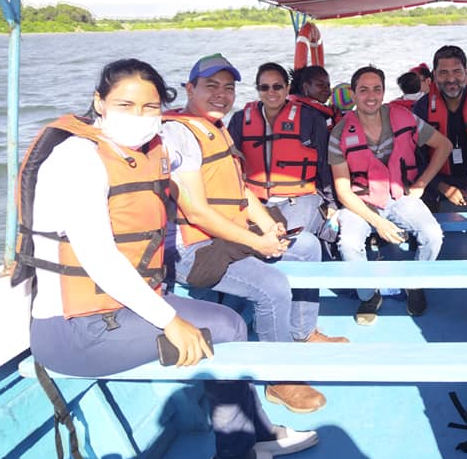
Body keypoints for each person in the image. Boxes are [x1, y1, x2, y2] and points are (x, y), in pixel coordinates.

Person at [13, 59, 317, 459]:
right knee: (223, 331)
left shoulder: (145, 150)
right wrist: (171, 321)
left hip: (123, 307)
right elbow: (99, 258)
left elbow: (191, 166)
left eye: (150, 107)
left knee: (231, 323)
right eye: (125, 105)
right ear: (99, 103)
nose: (139, 116)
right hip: (75, 328)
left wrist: (263, 221)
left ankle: (258, 432)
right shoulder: (77, 159)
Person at [162, 55, 345, 418]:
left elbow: (240, 189)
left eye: (228, 87)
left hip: (227, 236)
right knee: (272, 287)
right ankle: (280, 379)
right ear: (189, 89)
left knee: (307, 246)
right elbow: (197, 213)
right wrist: (256, 242)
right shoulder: (179, 134)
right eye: (211, 86)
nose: (221, 94)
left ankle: (302, 332)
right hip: (193, 249)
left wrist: (266, 224)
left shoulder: (217, 128)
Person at [329, 65, 452, 324]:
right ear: (353, 93)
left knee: (433, 235)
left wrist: (421, 183)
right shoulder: (339, 133)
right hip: (360, 201)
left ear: (384, 92)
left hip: (399, 195)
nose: (370, 96)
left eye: (377, 89)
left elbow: (444, 145)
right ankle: (368, 295)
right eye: (363, 90)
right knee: (348, 245)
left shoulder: (405, 118)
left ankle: (414, 283)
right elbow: (343, 191)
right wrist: (378, 223)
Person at [229, 62, 338, 242]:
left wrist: (332, 203)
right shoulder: (239, 119)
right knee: (247, 242)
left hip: (300, 198)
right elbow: (230, 167)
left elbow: (324, 164)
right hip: (256, 201)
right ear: (258, 90)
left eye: (277, 86)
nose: (271, 92)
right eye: (264, 87)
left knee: (289, 240)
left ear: (287, 88)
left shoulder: (311, 118)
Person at [413, 45, 467, 213]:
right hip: (437, 186)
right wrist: (443, 188)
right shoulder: (422, 108)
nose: (451, 79)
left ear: (466, 72)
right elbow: (415, 159)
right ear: (434, 75)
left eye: (457, 71)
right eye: (443, 73)